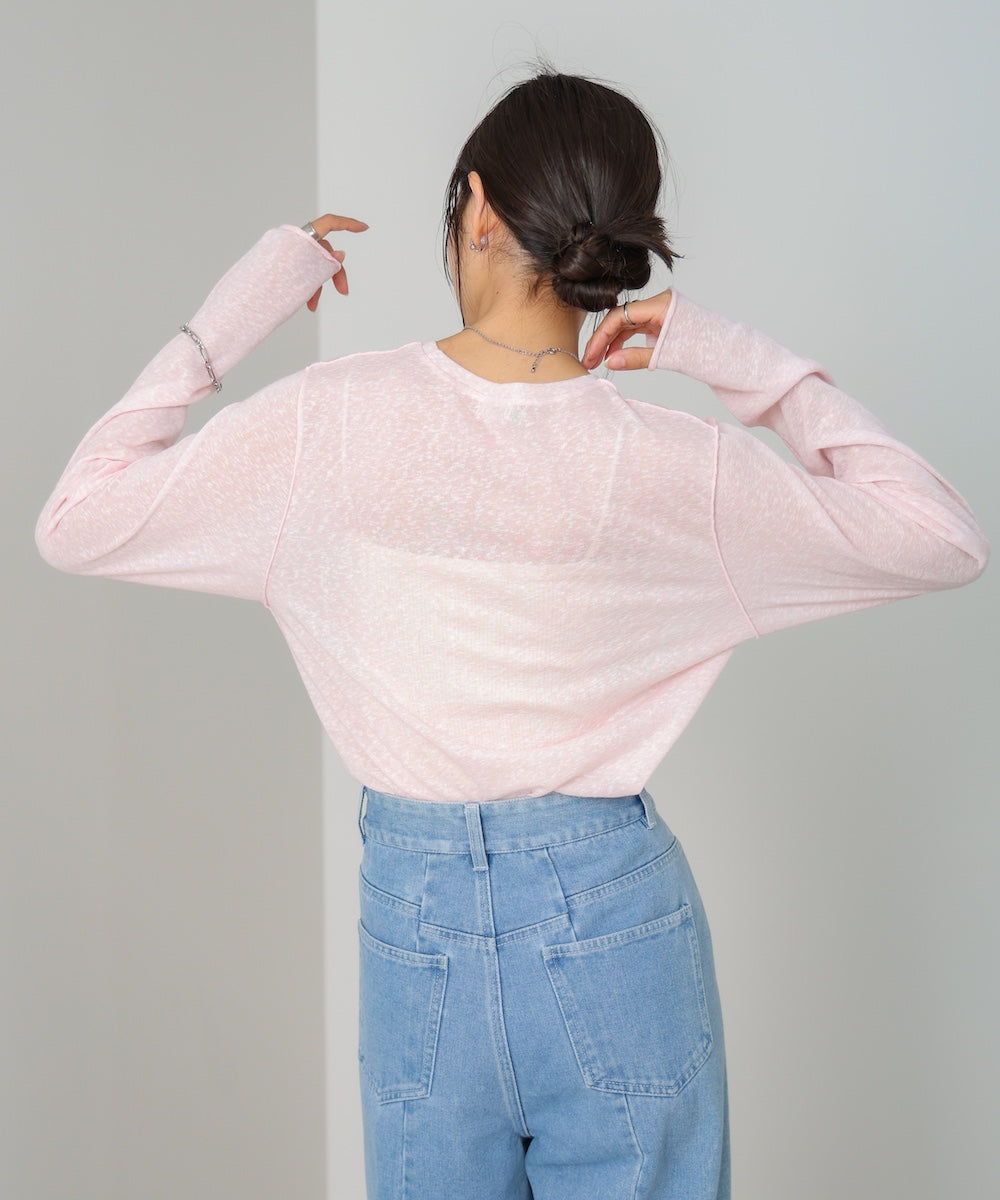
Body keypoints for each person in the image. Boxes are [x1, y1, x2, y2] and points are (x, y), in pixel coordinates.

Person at [35, 68, 988, 1200]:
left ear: (478, 209)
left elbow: (76, 518)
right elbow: (941, 538)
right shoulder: (682, 469)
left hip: (416, 922)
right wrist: (736, 358)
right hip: (617, 917)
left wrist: (238, 310)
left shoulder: (323, 423)